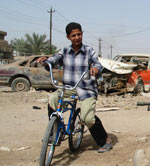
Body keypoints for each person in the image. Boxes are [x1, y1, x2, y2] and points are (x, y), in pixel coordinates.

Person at [38, 22, 112, 153]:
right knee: (53, 100)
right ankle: (55, 133)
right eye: (73, 35)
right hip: (68, 88)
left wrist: (95, 68)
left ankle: (104, 140)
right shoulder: (65, 51)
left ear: (82, 34)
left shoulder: (89, 51)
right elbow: (55, 59)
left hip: (86, 89)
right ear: (68, 37)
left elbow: (97, 63)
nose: (77, 37)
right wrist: (46, 61)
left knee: (88, 118)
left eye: (79, 34)